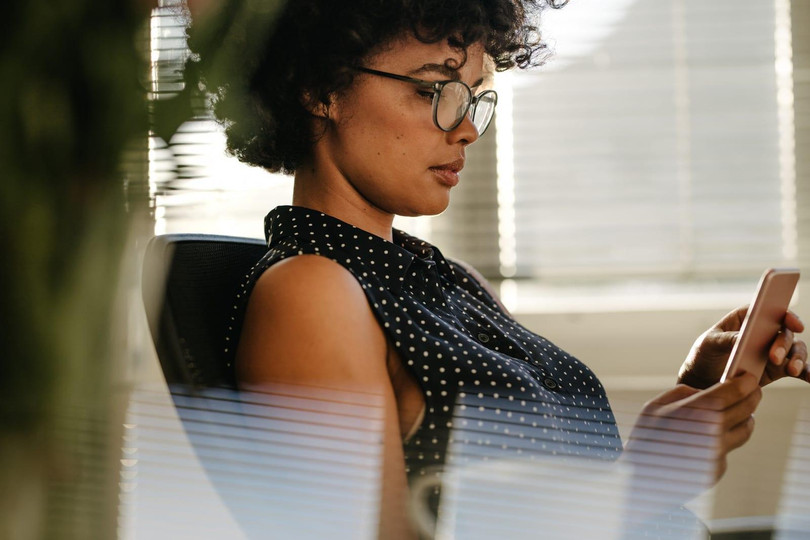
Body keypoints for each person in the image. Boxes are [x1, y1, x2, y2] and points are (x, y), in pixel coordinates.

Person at [190, 0, 809, 537]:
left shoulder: (449, 280)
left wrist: (698, 393)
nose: (467, 129)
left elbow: (553, 479)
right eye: (433, 90)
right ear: (316, 88)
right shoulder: (311, 292)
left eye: (474, 98)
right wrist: (636, 485)